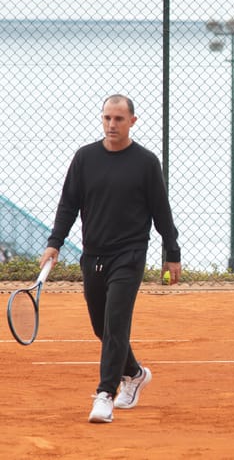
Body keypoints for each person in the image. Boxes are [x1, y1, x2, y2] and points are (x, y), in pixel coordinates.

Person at [40, 94, 182, 424]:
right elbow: (67, 206)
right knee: (101, 327)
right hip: (93, 255)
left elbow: (161, 212)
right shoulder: (85, 158)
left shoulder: (146, 163)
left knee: (116, 323)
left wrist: (171, 253)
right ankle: (134, 373)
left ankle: (105, 394)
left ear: (132, 121)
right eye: (107, 118)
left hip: (129, 254)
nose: (111, 124)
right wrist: (54, 243)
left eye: (118, 119)